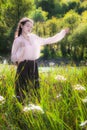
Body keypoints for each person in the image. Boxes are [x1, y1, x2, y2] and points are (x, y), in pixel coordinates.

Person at [11, 17, 69, 103]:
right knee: (22, 89)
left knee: (35, 89)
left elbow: (48, 40)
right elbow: (13, 57)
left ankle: (35, 110)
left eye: (31, 27)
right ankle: (21, 110)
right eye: (27, 26)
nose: (29, 28)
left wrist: (62, 33)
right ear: (21, 26)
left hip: (34, 65)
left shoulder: (34, 37)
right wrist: (22, 52)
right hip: (23, 66)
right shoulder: (18, 40)